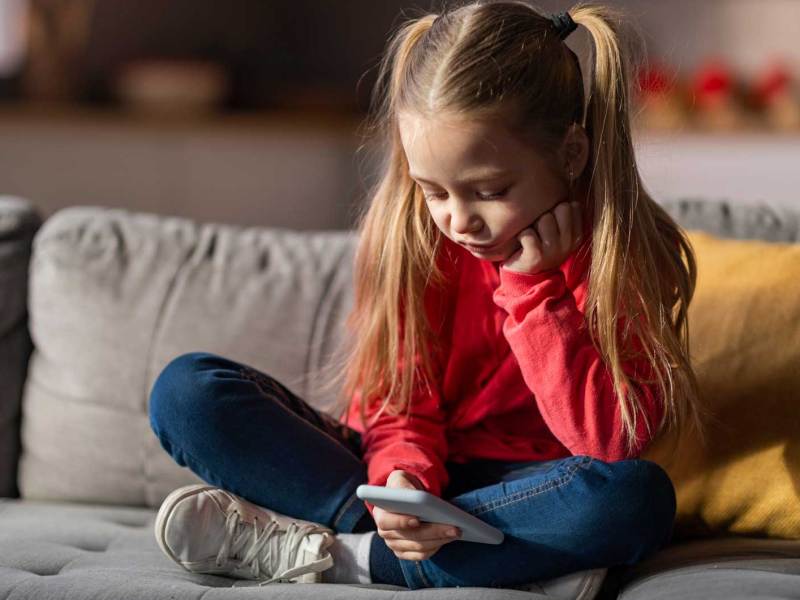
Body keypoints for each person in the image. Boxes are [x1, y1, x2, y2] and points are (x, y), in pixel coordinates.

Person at [148, 0, 711, 591]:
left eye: (489, 190)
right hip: (413, 481)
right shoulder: (412, 235)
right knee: (187, 392)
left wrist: (535, 289)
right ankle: (430, 548)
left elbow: (609, 442)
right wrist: (402, 483)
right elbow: (400, 407)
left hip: (534, 492)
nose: (458, 220)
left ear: (571, 153)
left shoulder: (620, 250)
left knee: (636, 498)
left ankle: (345, 558)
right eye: (433, 191)